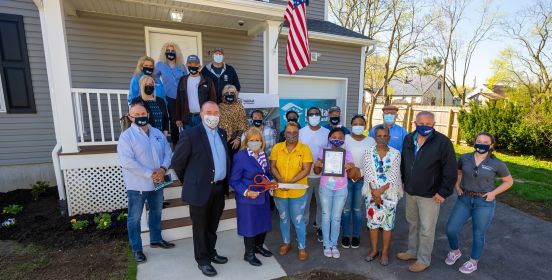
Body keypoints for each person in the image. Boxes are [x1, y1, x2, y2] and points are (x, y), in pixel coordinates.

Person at [171, 101, 231, 277]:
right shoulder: (191, 134)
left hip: (219, 188)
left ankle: (211, 252)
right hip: (199, 190)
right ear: (201, 115)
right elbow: (177, 163)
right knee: (200, 228)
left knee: (212, 226)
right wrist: (190, 181)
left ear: (219, 115)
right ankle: (203, 260)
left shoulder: (222, 133)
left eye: (216, 112)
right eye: (209, 112)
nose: (213, 115)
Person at [397, 111, 457, 273]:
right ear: (415, 123)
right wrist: (403, 181)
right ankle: (412, 251)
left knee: (426, 229)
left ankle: (423, 260)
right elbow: (405, 162)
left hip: (430, 195)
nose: (424, 126)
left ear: (434, 125)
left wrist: (443, 192)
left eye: (428, 124)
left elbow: (450, 170)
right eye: (421, 123)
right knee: (413, 224)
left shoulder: (443, 142)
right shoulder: (409, 138)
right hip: (411, 191)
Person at [445, 132, 513, 274]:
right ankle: (455, 251)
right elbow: (458, 173)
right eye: (479, 141)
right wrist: (457, 186)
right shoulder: (464, 158)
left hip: (484, 202)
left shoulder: (497, 163)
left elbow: (508, 181)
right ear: (474, 142)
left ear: (491, 145)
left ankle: (473, 261)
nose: (481, 144)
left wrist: (493, 193)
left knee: (478, 233)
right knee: (451, 228)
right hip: (464, 198)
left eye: (485, 142)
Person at [117, 103, 175, 263]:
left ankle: (156, 239)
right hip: (138, 184)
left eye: (143, 113)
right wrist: (150, 173)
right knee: (134, 218)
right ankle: (137, 249)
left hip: (158, 181)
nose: (141, 116)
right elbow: (127, 161)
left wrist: (163, 169)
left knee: (156, 211)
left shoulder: (157, 133)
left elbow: (168, 152)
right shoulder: (126, 136)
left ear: (148, 114)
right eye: (136, 114)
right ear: (130, 117)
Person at [229, 127, 274, 267]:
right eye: (252, 140)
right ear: (246, 141)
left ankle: (259, 247)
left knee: (263, 223)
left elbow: (266, 174)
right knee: (250, 226)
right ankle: (248, 254)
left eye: (258, 140)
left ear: (262, 141)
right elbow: (234, 180)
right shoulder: (240, 156)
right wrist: (247, 192)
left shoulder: (264, 155)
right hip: (247, 199)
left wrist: (271, 181)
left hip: (263, 196)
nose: (255, 142)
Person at [270, 122, 313, 261]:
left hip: (298, 192)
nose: (292, 135)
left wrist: (290, 182)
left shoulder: (304, 149)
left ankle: (302, 247)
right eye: (289, 132)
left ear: (298, 134)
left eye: (295, 133)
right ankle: (286, 243)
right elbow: (273, 167)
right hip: (280, 191)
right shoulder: (277, 147)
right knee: (283, 219)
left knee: (298, 220)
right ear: (284, 133)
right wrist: (280, 180)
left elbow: (306, 170)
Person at [362, 125, 403, 266]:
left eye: (385, 136)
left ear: (389, 137)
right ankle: (374, 250)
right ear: (374, 137)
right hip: (372, 192)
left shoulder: (396, 153)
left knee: (387, 225)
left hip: (389, 194)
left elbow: (393, 175)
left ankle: (385, 252)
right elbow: (368, 173)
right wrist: (375, 192)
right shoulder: (368, 152)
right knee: (373, 224)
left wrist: (380, 191)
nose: (382, 138)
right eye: (379, 136)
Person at [313, 128, 356, 259]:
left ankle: (334, 244)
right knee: (326, 216)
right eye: (334, 136)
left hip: (341, 188)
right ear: (329, 138)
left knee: (336, 218)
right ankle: (326, 244)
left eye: (340, 137)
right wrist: (318, 164)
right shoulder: (323, 152)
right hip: (326, 186)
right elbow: (316, 171)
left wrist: (351, 167)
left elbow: (353, 174)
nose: (337, 139)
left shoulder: (347, 154)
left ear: (343, 140)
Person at [341, 114, 376, 249]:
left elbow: (373, 162)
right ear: (351, 126)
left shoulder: (371, 141)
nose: (358, 126)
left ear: (365, 126)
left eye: (360, 123)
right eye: (355, 124)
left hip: (362, 179)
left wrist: (360, 172)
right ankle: (345, 235)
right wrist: (348, 171)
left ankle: (355, 235)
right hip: (347, 178)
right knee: (346, 209)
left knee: (357, 209)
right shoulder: (345, 139)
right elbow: (339, 157)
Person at [299, 107, 330, 241]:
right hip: (304, 176)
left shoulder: (327, 132)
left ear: (321, 117)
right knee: (304, 205)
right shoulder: (300, 133)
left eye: (317, 114)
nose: (314, 116)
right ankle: (303, 229)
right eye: (311, 114)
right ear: (306, 118)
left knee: (322, 204)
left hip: (323, 176)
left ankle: (321, 228)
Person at [155, 42, 187, 143]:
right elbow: (152, 78)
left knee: (184, 121)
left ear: (176, 53)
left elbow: (187, 80)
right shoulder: (160, 65)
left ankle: (186, 143)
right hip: (169, 97)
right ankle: (176, 146)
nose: (170, 53)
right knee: (173, 122)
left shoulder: (181, 66)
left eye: (172, 51)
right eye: (168, 51)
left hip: (182, 97)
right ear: (164, 52)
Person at [175, 55, 216, 134]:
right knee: (189, 142)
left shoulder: (207, 81)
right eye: (190, 64)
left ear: (199, 66)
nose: (192, 66)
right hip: (187, 118)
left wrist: (211, 116)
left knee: (202, 142)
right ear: (187, 65)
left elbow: (212, 100)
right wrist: (178, 118)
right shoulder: (183, 80)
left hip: (202, 117)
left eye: (195, 64)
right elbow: (178, 100)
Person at [218, 85, 248, 158]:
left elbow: (243, 125)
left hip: (233, 141)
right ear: (223, 94)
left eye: (232, 93)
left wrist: (237, 139)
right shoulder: (219, 106)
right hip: (220, 140)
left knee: (232, 162)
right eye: (227, 93)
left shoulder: (239, 107)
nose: (229, 95)